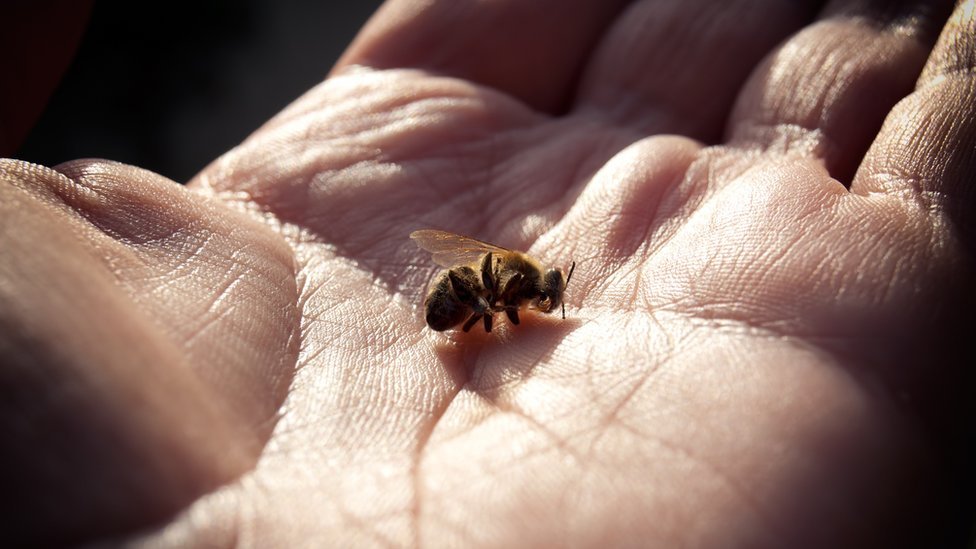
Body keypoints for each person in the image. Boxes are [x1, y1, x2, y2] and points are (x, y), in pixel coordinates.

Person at [1, 0, 973, 546]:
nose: (542, 307)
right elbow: (481, 301)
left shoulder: (512, 279)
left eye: (535, 300)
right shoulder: (501, 291)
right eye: (539, 299)